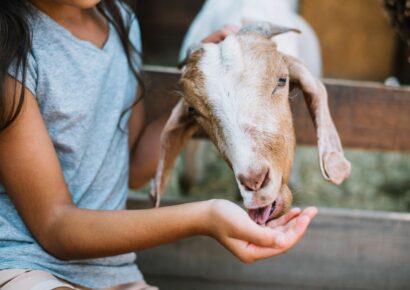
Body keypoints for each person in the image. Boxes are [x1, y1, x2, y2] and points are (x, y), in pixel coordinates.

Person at [0, 1, 318, 289]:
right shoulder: (11, 50)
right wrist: (204, 217)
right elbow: (55, 227)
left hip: (116, 277)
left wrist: (203, 87)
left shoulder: (119, 21)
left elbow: (133, 167)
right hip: (26, 269)